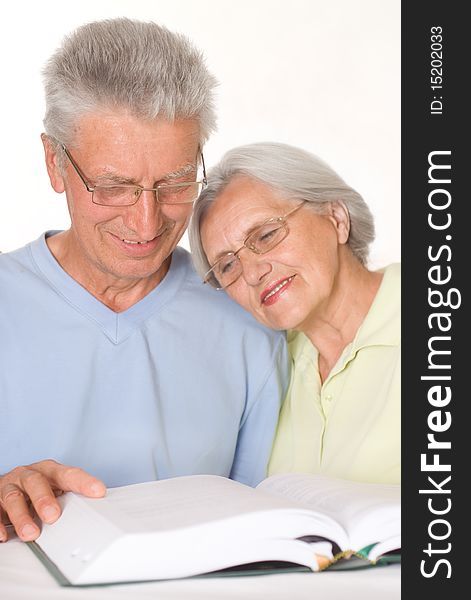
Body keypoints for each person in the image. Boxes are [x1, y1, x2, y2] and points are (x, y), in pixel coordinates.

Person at [0, 20, 289, 542]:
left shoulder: (250, 318)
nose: (147, 223)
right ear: (54, 163)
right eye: (114, 187)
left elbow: (265, 535)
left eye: (176, 183)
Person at [189, 142, 400, 485]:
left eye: (266, 235)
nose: (253, 272)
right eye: (228, 266)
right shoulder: (267, 370)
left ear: (336, 217)